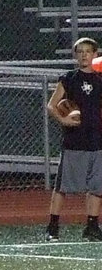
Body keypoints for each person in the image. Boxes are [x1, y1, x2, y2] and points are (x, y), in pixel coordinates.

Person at [45, 36, 102, 242]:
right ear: (76, 56)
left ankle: (92, 226)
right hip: (74, 140)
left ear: (96, 55)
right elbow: (52, 105)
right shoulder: (69, 78)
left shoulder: (100, 78)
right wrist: (64, 120)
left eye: (88, 51)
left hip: (97, 139)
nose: (85, 54)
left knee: (97, 186)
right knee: (63, 187)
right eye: (80, 51)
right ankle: (53, 226)